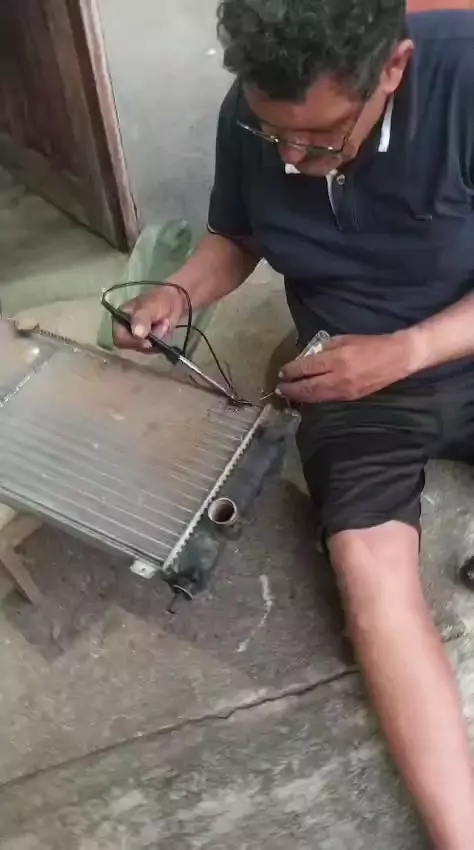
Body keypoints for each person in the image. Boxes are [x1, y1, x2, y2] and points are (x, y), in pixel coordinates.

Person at [114, 1, 474, 846]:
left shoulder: (465, 76)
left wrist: (407, 349)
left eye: (320, 139)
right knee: (369, 572)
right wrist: (178, 294)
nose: (290, 160)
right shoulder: (252, 111)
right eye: (274, 134)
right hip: (346, 371)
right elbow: (235, 238)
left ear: (393, 70)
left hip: (455, 332)